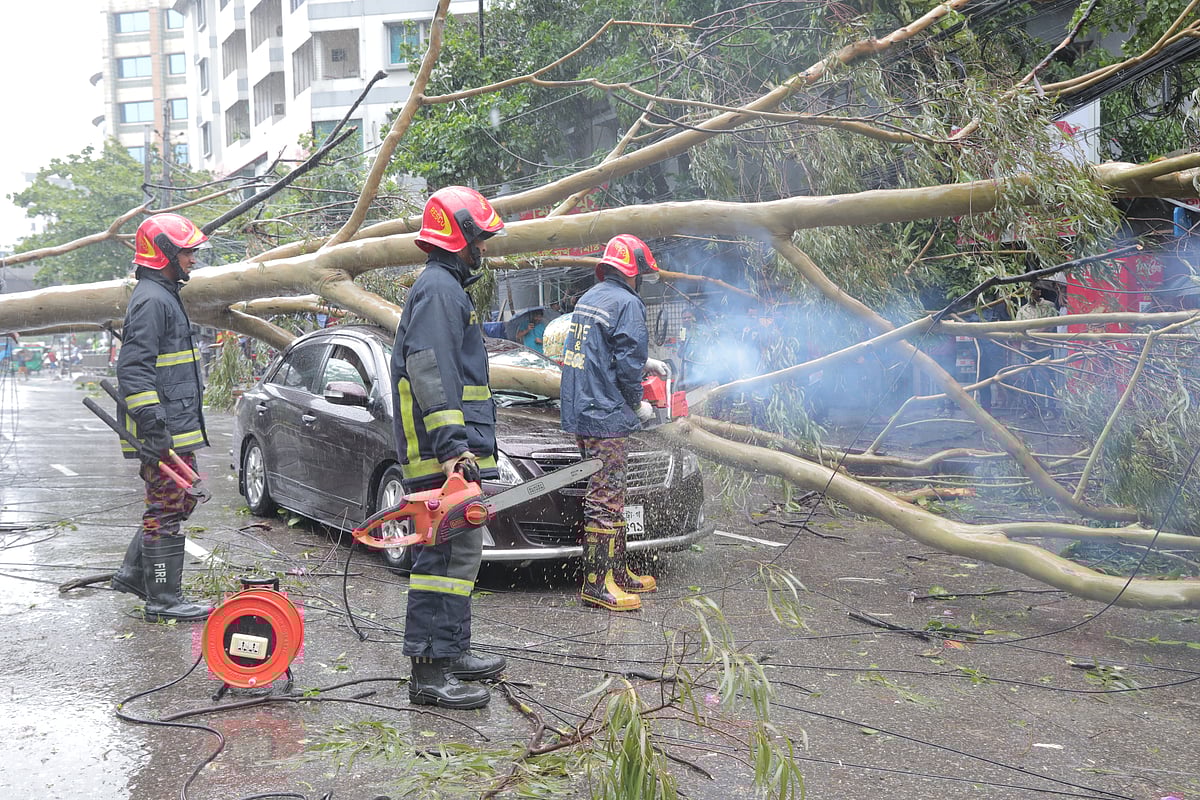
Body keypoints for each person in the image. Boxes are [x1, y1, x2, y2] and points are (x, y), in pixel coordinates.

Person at [390, 186, 508, 710]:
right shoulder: (440, 291)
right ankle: (429, 674)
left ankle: (451, 651)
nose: (483, 247)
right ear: (459, 237)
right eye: (479, 238)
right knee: (439, 559)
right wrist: (452, 451)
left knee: (460, 554)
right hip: (443, 458)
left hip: (454, 452)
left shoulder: (444, 288)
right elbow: (432, 374)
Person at [110, 213, 213, 623]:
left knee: (179, 499)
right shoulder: (153, 299)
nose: (192, 258)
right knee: (166, 507)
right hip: (163, 427)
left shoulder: (163, 294)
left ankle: (135, 575)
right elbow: (134, 369)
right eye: (187, 251)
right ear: (165, 253)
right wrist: (153, 427)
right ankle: (162, 598)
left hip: (176, 424)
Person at [559, 234, 670, 612]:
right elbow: (625, 363)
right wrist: (637, 403)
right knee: (606, 498)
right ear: (633, 271)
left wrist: (646, 363)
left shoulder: (590, 299)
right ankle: (597, 583)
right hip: (606, 413)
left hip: (582, 409)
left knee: (612, 493)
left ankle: (617, 573)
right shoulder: (628, 303)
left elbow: (605, 352)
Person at [1015, 283, 1060, 419]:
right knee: (1028, 380)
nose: (1030, 294)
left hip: (1044, 349)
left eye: (1033, 291)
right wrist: (1027, 340)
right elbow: (1018, 327)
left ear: (1039, 292)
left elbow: (1050, 324)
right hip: (1026, 350)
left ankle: (1050, 409)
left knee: (1047, 379)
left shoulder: (1049, 306)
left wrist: (1034, 338)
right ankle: (1030, 409)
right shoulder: (1022, 310)